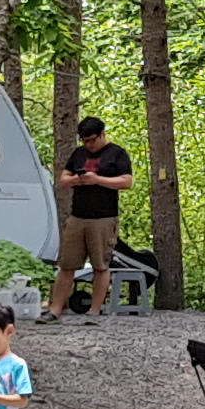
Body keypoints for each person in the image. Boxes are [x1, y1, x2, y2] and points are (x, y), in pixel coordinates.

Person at [47, 116, 133, 323]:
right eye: (85, 140)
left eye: (92, 140)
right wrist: (78, 180)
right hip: (78, 217)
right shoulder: (78, 154)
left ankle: (94, 311)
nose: (89, 144)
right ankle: (55, 310)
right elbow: (63, 180)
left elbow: (126, 181)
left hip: (103, 218)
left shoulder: (117, 153)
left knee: (100, 265)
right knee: (67, 265)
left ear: (102, 134)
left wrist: (97, 180)